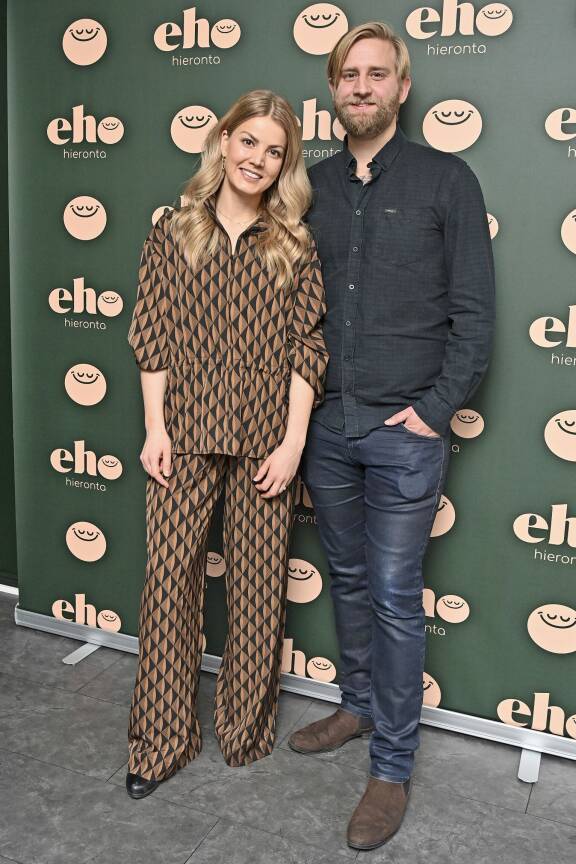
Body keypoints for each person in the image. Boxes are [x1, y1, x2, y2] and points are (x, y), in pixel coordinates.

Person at [288, 22, 495, 851]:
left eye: (378, 74)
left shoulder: (448, 179)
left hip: (405, 432)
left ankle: (392, 766)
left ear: (402, 88)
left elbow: (474, 313)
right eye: (350, 75)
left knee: (394, 595)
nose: (363, 87)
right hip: (326, 426)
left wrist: (435, 410)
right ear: (334, 90)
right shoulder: (309, 186)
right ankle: (357, 705)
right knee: (345, 577)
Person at [125, 89, 328, 799]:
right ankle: (159, 741)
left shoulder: (295, 243)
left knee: (259, 589)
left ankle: (244, 731)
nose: (258, 160)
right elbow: (151, 333)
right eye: (249, 142)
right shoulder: (173, 230)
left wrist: (293, 443)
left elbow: (307, 348)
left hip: (266, 442)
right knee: (168, 585)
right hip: (183, 432)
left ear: (285, 164)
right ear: (223, 140)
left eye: (275, 151)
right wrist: (155, 428)